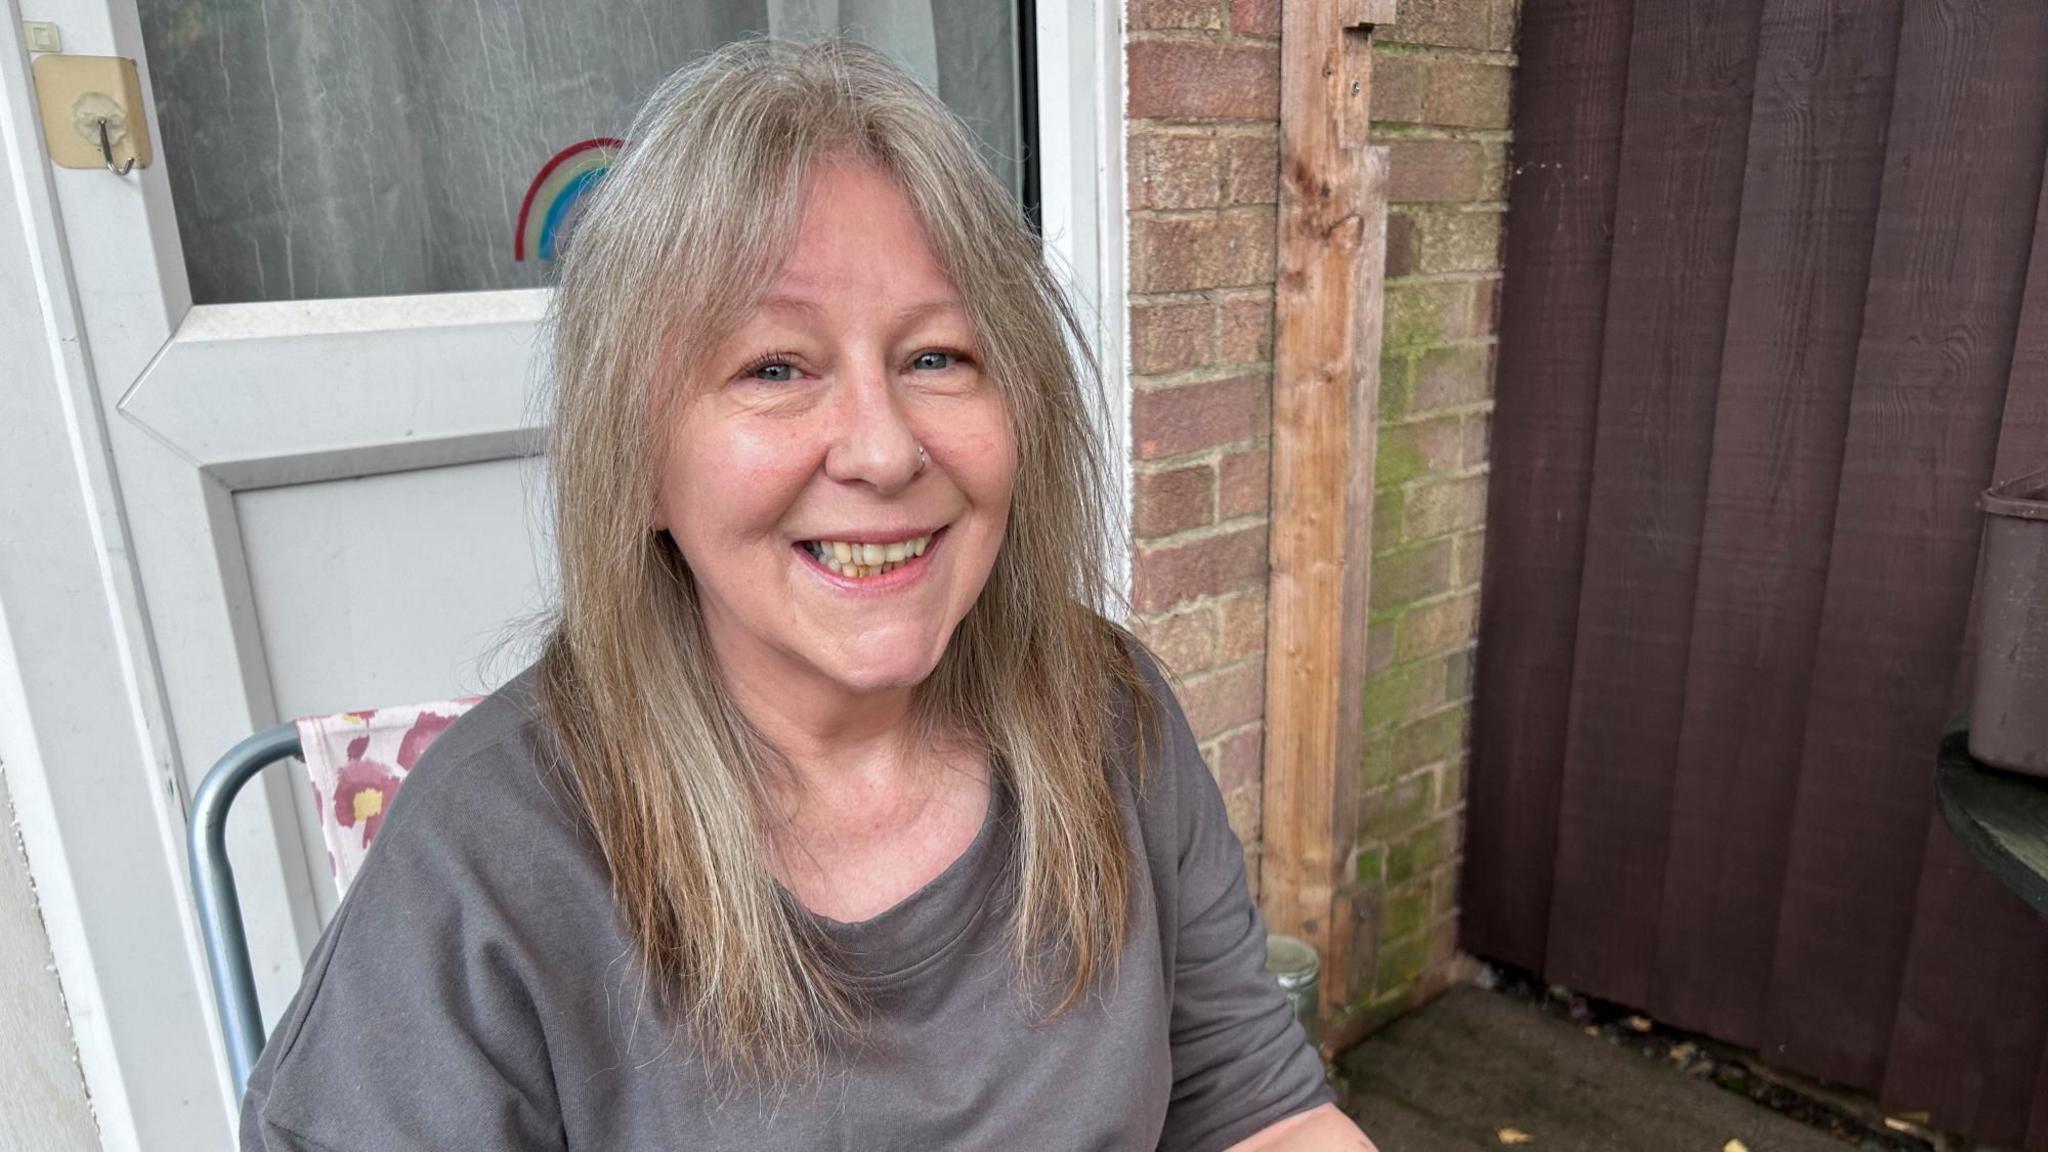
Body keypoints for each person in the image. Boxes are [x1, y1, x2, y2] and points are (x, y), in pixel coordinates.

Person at [238, 37, 1377, 1152]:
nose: (883, 452)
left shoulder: (1106, 711)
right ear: (638, 464)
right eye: (773, 368)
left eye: (937, 356)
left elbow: (1257, 1108)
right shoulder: (483, 863)